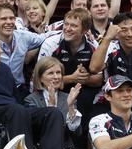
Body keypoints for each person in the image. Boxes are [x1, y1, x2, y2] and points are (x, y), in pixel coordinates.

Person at [38, 8, 102, 140]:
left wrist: (86, 78)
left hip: (82, 92)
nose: (67, 28)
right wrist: (72, 78)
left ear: (85, 30)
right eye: (66, 24)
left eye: (73, 25)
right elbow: (39, 79)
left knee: (87, 98)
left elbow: (100, 79)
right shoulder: (51, 43)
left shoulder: (93, 45)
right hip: (53, 90)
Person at [24, 57, 89, 149]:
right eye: (50, 73)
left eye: (58, 73)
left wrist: (70, 107)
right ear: (40, 78)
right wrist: (51, 109)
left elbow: (76, 134)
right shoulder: (31, 100)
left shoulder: (68, 98)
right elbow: (34, 131)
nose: (56, 77)